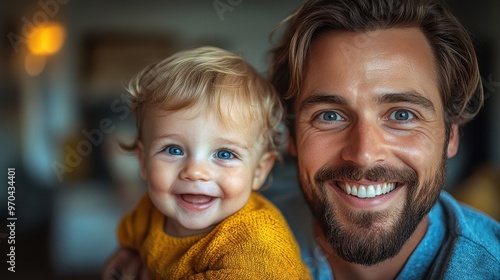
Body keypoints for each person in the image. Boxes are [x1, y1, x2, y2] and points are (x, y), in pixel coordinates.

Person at [268, 0, 500, 279]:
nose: (364, 154)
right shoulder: (227, 234)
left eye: (402, 115)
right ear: (292, 137)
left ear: (451, 135)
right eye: (329, 116)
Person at [102, 46, 311, 279]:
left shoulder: (257, 248)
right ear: (143, 161)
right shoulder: (149, 212)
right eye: (174, 149)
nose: (195, 172)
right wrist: (128, 258)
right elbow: (128, 249)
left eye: (224, 154)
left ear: (259, 171)